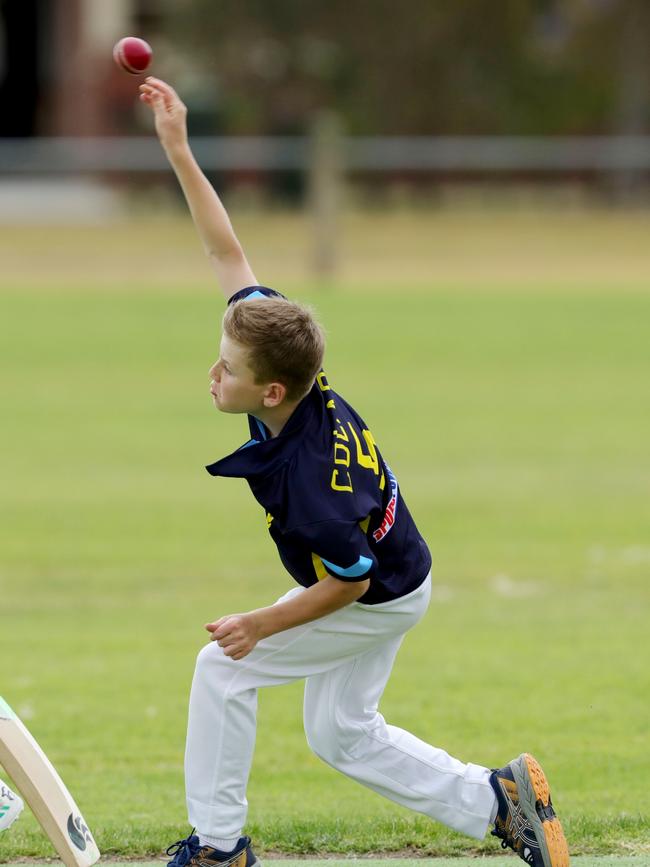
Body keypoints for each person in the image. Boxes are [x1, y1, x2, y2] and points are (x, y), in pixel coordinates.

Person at [139, 77, 570, 867]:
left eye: (226, 369)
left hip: (377, 588)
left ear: (270, 390)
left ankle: (219, 847)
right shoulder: (284, 368)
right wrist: (178, 147)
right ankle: (498, 799)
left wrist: (258, 624)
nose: (213, 371)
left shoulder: (310, 489)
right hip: (404, 565)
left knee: (221, 668)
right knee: (339, 732)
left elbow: (349, 584)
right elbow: (225, 250)